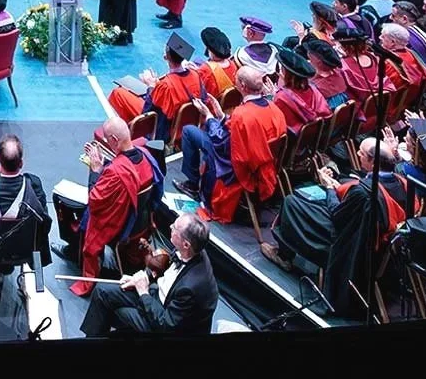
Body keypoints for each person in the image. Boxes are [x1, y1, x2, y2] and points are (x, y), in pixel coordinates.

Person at [263, 128, 426, 318]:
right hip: (381, 245)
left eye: (361, 153)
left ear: (372, 162)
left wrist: (329, 188)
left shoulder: (363, 194)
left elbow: (337, 215)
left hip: (352, 244)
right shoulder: (403, 182)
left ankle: (284, 255)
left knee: (293, 203)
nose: (357, 155)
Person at [55, 117, 162, 296]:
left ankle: (73, 252)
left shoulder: (116, 173)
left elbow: (95, 200)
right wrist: (107, 165)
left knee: (76, 208)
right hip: (140, 221)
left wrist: (96, 169)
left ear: (113, 140)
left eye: (107, 140)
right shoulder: (146, 156)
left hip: (120, 225)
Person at [80, 212, 217, 337]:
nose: (170, 226)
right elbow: (166, 270)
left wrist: (143, 292)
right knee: (102, 292)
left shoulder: (191, 287)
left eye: (174, 228)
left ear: (186, 244)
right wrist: (142, 278)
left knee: (119, 312)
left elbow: (166, 325)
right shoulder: (192, 248)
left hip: (169, 325)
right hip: (159, 298)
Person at [180, 65, 287, 221]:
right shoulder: (274, 108)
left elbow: (223, 143)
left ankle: (193, 184)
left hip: (238, 169)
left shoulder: (242, 115)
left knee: (189, 131)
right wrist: (222, 116)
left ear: (242, 85)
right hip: (265, 168)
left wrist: (209, 116)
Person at [106, 33, 203, 139]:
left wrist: (151, 86)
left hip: (164, 129)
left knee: (118, 93)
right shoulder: (196, 75)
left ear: (166, 57)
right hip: (187, 125)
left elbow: (150, 112)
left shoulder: (166, 85)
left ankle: (133, 136)